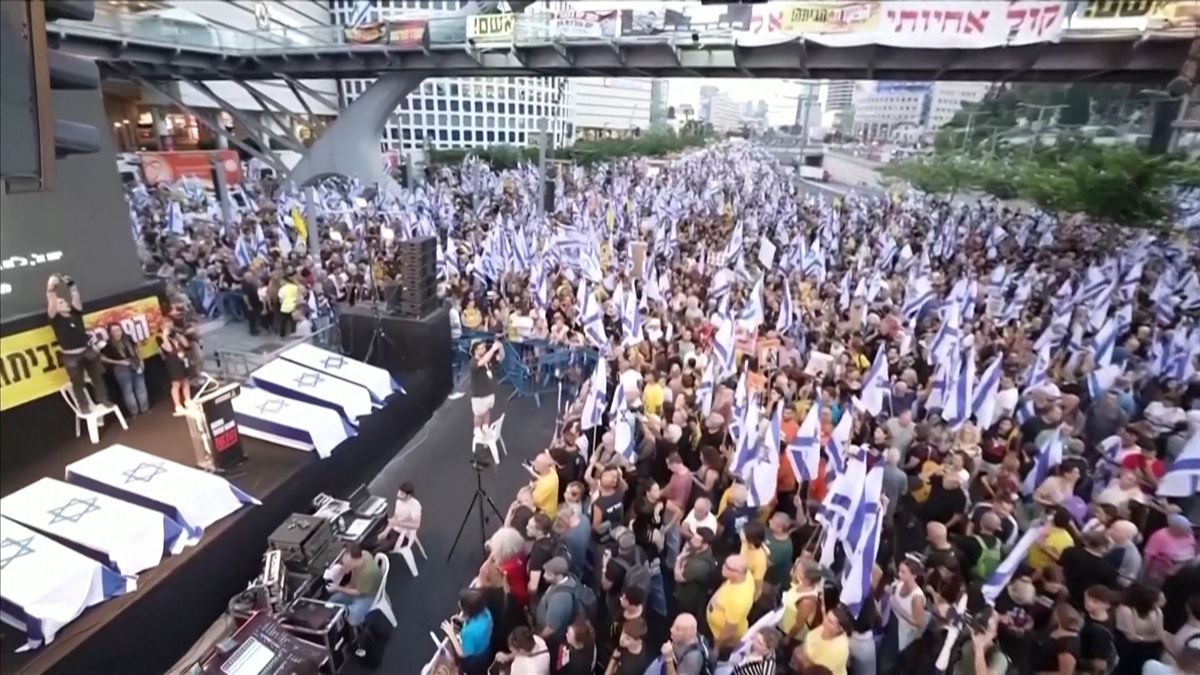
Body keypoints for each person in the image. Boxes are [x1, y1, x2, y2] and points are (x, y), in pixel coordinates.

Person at [46, 274, 113, 413]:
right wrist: (51, 288)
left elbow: (76, 298)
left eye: (63, 301)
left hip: (87, 351)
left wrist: (72, 286)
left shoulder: (75, 314)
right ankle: (84, 406)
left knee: (97, 377)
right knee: (78, 383)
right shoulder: (55, 318)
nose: (62, 303)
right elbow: (51, 301)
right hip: (71, 356)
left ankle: (103, 399)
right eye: (59, 303)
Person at [707, 554, 756, 651]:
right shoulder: (745, 575)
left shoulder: (738, 599)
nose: (723, 567)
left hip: (723, 639)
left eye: (728, 567)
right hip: (714, 629)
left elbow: (730, 630)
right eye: (725, 564)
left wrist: (717, 645)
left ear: (738, 573)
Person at [326, 544, 382, 627]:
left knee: (353, 617)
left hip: (369, 594)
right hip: (359, 586)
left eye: (346, 563)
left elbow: (358, 592)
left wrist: (338, 588)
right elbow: (352, 582)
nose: (344, 566)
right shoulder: (364, 554)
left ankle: (355, 625)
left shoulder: (367, 573)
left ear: (354, 560)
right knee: (333, 600)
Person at [100, 323, 149, 415]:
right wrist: (119, 362)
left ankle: (145, 409)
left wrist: (141, 360)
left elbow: (136, 349)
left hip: (135, 363)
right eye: (114, 331)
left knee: (141, 387)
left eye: (119, 330)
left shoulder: (128, 338)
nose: (117, 332)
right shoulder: (108, 344)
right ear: (110, 333)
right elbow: (103, 358)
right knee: (128, 391)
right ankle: (134, 412)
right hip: (121, 368)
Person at [442, 588, 493, 675]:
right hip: (486, 648)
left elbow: (463, 653)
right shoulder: (486, 613)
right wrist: (463, 620)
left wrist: (451, 634)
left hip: (475, 658)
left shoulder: (469, 632)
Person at [799, 608, 851, 675]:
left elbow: (819, 671)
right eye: (827, 616)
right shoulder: (826, 628)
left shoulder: (839, 649)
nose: (825, 620)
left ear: (840, 629)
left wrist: (804, 659)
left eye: (830, 621)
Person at [158, 315, 192, 415]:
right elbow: (168, 349)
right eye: (166, 325)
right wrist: (165, 336)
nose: (169, 326)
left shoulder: (175, 335)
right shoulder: (159, 337)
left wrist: (180, 335)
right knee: (176, 384)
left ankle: (188, 400)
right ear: (162, 326)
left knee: (186, 380)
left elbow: (186, 345)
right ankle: (177, 405)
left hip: (182, 359)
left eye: (170, 324)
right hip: (172, 362)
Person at [470, 340, 504, 438]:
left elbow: (500, 358)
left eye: (484, 348)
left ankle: (485, 427)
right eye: (481, 348)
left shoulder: (488, 357)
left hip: (489, 392)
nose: (484, 350)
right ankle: (476, 430)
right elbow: (482, 362)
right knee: (479, 414)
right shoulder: (473, 362)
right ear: (475, 351)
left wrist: (500, 348)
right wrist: (493, 349)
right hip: (478, 395)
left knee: (487, 411)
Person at [380, 481, 421, 552]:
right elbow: (395, 517)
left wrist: (397, 523)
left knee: (380, 549)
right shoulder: (398, 502)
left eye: (401, 494)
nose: (398, 495)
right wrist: (386, 531)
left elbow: (416, 525)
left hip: (405, 535)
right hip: (395, 529)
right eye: (398, 492)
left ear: (408, 496)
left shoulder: (415, 506)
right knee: (375, 540)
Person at [531, 452, 560, 520]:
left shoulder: (546, 485)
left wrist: (532, 489)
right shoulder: (552, 472)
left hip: (546, 514)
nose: (534, 463)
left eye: (537, 463)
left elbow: (535, 500)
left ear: (542, 467)